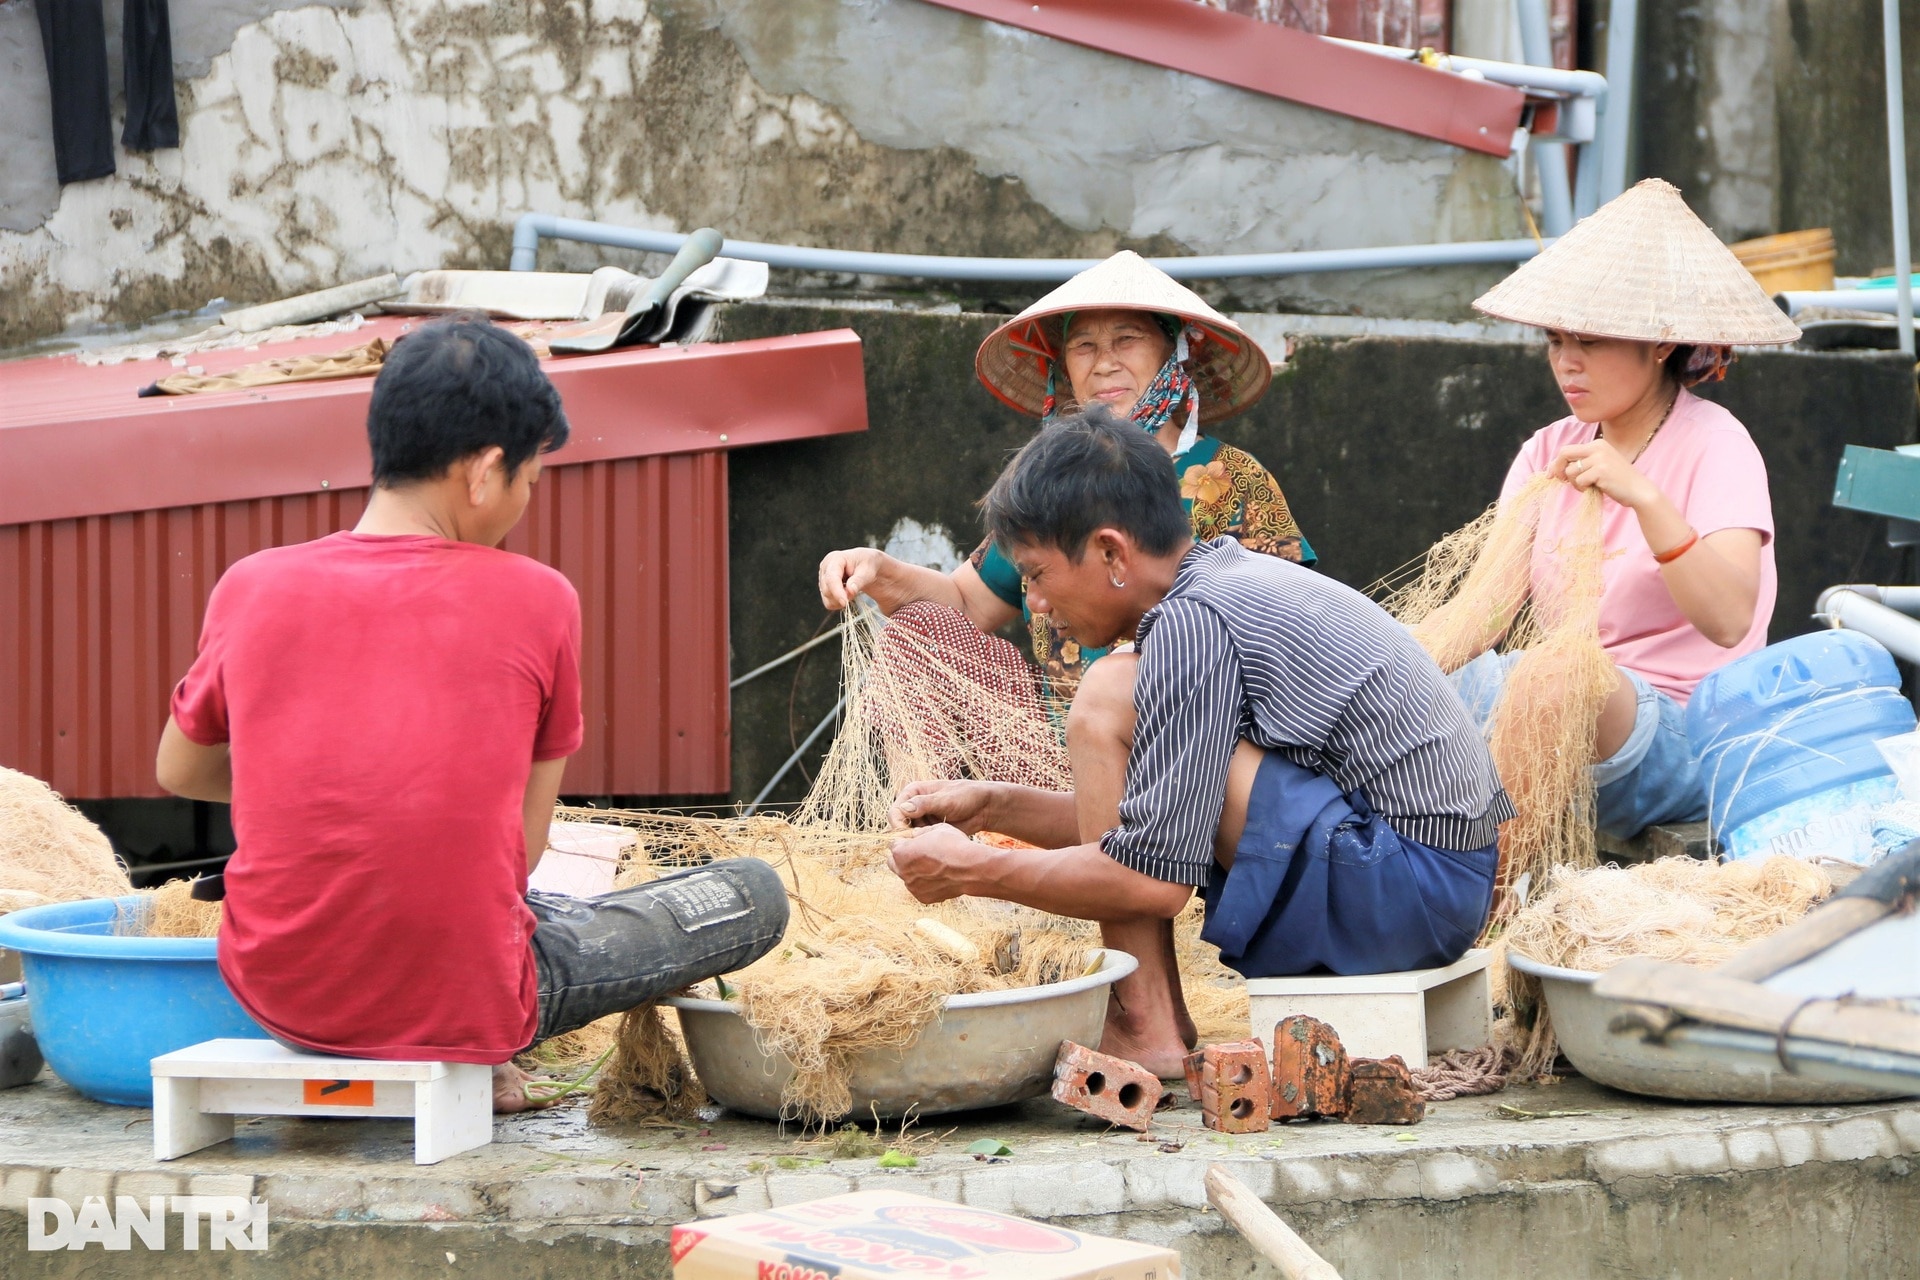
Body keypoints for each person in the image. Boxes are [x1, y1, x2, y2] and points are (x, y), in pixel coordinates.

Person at [155, 315, 788, 1111]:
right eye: (530, 480)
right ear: (485, 472)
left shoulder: (251, 584)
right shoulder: (539, 598)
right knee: (748, 894)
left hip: (283, 997)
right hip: (470, 1000)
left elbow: (177, 769)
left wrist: (310, 788)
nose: (526, 501)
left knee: (515, 906)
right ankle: (482, 1055)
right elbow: (514, 857)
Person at [884, 409, 1511, 1077]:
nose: (1033, 602)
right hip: (1437, 885)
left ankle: (1143, 1024)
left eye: (1036, 575)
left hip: (1409, 890)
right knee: (1120, 695)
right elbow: (1166, 818)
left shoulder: (1192, 620)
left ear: (1110, 552)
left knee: (1108, 694)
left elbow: (1148, 876)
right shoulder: (1217, 582)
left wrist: (973, 871)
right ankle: (1149, 1021)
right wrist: (992, 807)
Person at [1453, 178, 1801, 839]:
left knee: (1559, 677)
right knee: (1440, 684)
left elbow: (1729, 620)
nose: (1567, 364)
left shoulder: (1716, 443)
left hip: (1687, 734)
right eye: (1556, 341)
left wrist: (1643, 496)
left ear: (1661, 343)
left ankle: (1485, 912)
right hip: (1556, 723)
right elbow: (1480, 614)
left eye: (1590, 341)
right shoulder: (1548, 450)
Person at [818, 251, 1313, 712]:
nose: (1104, 363)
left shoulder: (1233, 478)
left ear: (1174, 352)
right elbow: (966, 603)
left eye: (1127, 340)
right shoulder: (1055, 485)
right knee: (919, 639)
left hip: (1193, 739)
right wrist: (879, 570)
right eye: (1083, 347)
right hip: (1065, 753)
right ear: (1063, 370)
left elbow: (1285, 635)